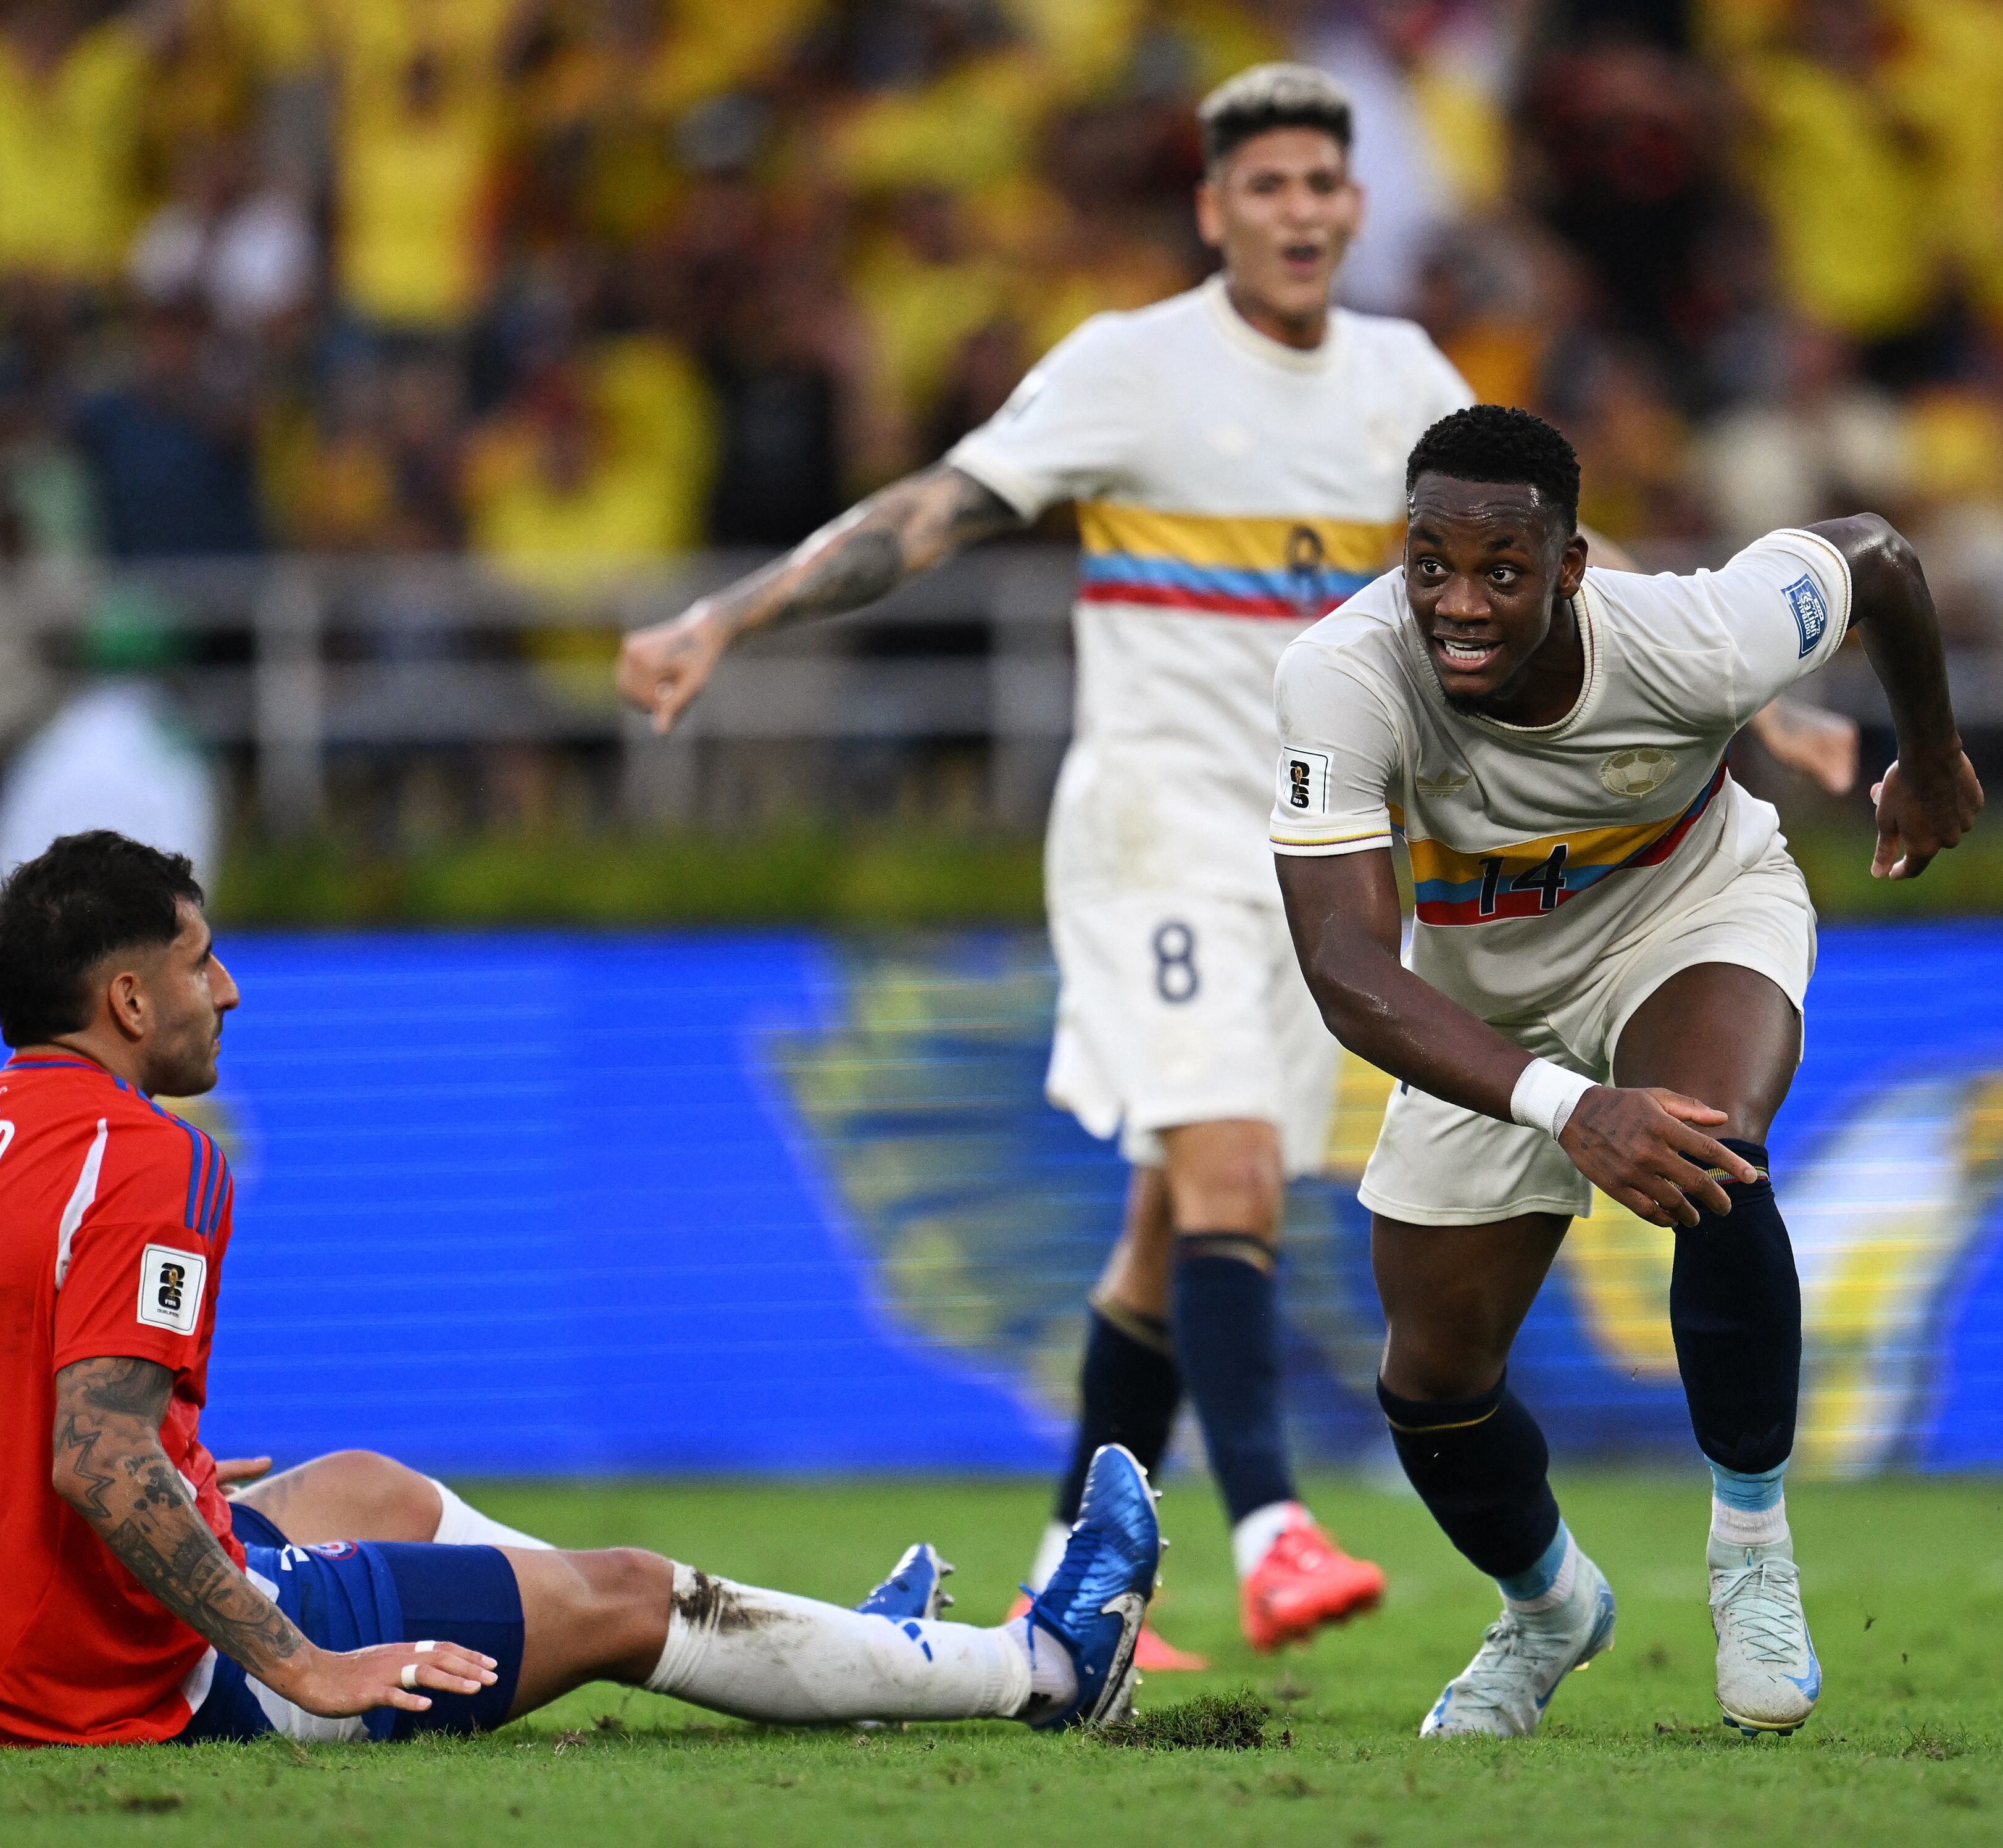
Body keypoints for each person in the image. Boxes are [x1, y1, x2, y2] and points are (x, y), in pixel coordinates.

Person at [615, 62, 1859, 1665]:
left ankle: (1072, 1572)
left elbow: (1551, 549)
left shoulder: (1400, 375)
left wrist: (1761, 690)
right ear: (1212, 212)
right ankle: (1271, 1530)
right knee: (1226, 1170)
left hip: (1327, 846)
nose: (1297, 213)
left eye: (1320, 186)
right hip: (1156, 836)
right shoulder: (1129, 370)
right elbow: (932, 512)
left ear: (1353, 206)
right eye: (1262, 187)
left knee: (1165, 1225)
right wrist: (731, 614)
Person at [0, 830, 1159, 1747]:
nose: (226, 990)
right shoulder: (142, 1152)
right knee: (632, 1595)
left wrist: (171, 1466)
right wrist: (301, 1661)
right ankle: (1039, 1669)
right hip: (137, 1682)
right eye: (198, 963)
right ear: (126, 998)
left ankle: (837, 1661)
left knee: (366, 1484)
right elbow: (97, 1452)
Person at [1266, 405, 1982, 1739]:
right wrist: (1563, 1103)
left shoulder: (1696, 639)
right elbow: (1346, 971)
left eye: (1501, 570)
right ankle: (1546, 1611)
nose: (1457, 605)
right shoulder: (1341, 676)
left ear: (1572, 567)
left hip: (1686, 915)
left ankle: (1752, 1556)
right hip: (1486, 1000)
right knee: (1429, 1379)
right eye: (1428, 565)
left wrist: (1928, 757)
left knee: (1709, 1147)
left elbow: (1879, 555)